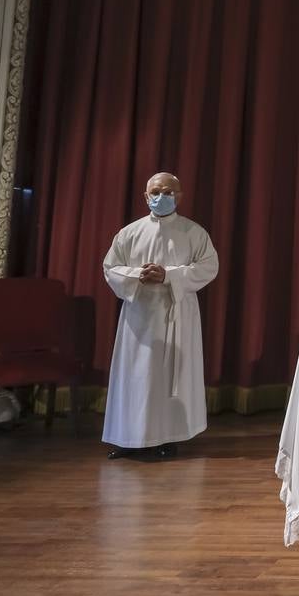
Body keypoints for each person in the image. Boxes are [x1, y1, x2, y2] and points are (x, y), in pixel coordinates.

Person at [101, 172, 219, 459]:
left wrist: (169, 275)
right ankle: (127, 438)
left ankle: (168, 436)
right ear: (145, 196)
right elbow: (110, 268)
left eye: (168, 192)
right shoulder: (128, 234)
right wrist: (136, 274)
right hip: (138, 315)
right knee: (134, 376)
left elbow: (208, 267)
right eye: (155, 191)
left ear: (179, 197)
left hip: (175, 313)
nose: (161, 197)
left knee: (167, 376)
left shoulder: (194, 233)